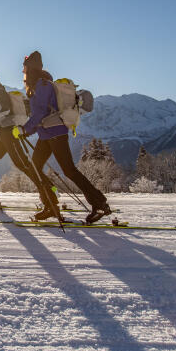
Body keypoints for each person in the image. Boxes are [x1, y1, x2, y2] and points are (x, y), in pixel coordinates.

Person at [13, 51, 111, 224]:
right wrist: (27, 130)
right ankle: (50, 205)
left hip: (56, 133)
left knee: (69, 170)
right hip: (46, 135)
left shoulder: (43, 85)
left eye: (25, 67)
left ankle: (100, 204)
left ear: (31, 68)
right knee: (34, 168)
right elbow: (41, 118)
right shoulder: (38, 85)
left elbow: (40, 113)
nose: (23, 71)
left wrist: (24, 129)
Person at [0, 72, 59, 212]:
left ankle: (50, 191)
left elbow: (5, 111)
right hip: (2, 133)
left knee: (23, 164)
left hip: (8, 133)